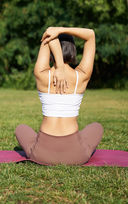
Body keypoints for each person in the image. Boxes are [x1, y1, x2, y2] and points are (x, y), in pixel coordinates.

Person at [15, 27, 104, 165]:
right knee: (97, 127)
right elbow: (91, 34)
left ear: (51, 50)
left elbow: (48, 32)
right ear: (73, 51)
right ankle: (76, 144)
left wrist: (59, 66)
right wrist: (62, 30)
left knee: (20, 128)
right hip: (76, 156)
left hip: (42, 155)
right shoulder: (81, 76)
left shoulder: (42, 74)